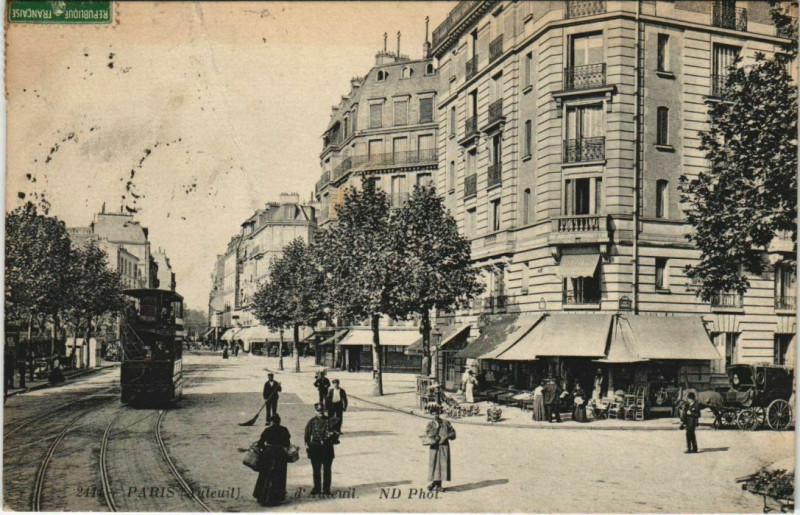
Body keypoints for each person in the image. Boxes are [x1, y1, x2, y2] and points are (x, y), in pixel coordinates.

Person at [253, 414, 292, 506]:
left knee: (265, 474)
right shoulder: (284, 429)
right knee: (279, 475)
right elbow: (287, 443)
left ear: (271, 421)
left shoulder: (268, 430)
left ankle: (261, 496)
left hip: (268, 453)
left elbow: (260, 443)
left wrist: (264, 448)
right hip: (280, 454)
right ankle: (276, 497)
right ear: (279, 421)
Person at [305, 403, 336, 495]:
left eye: (322, 411)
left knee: (327, 470)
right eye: (318, 411)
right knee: (316, 470)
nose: (320, 413)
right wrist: (307, 447)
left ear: (324, 411)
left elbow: (336, 436)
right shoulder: (311, 422)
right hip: (315, 448)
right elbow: (307, 436)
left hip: (327, 448)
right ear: (315, 411)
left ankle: (326, 489)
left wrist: (333, 434)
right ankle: (317, 488)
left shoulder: (330, 421)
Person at [425, 405, 456, 492]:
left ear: (440, 413)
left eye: (437, 413)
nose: (436, 416)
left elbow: (453, 434)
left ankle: (437, 485)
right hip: (434, 448)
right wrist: (436, 428)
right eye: (434, 414)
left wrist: (447, 436)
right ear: (431, 414)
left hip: (444, 447)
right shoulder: (430, 424)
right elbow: (428, 434)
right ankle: (435, 484)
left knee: (443, 466)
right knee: (435, 465)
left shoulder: (446, 423)